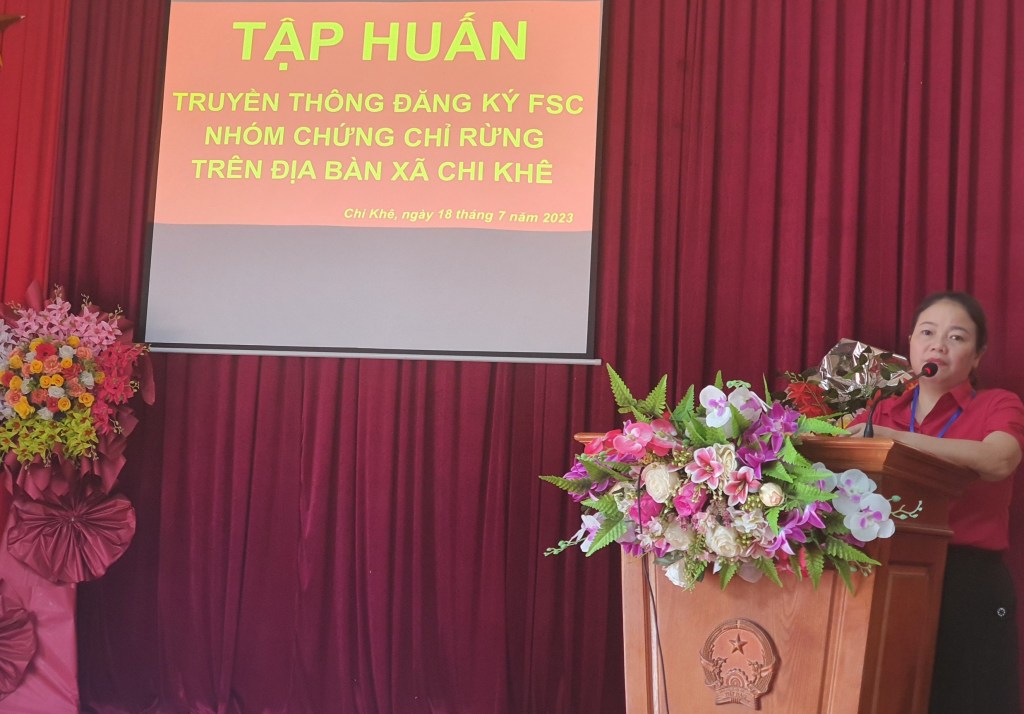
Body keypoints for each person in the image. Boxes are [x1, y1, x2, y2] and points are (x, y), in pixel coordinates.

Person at [846, 291, 1024, 713]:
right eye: (927, 333)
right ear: (910, 343)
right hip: (884, 574)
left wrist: (896, 440)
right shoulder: (877, 411)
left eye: (956, 337)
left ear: (977, 356)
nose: (938, 345)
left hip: (967, 579)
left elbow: (999, 459)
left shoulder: (997, 404)